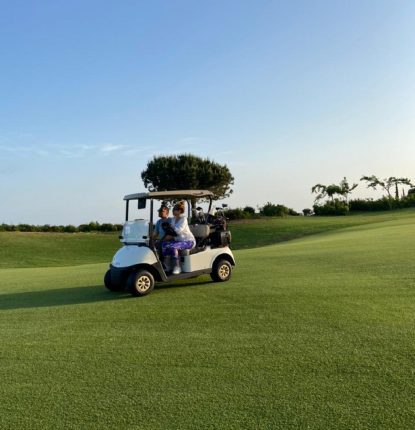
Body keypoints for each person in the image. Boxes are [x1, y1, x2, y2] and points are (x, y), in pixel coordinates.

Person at [162, 201, 195, 274]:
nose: (173, 211)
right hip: (178, 241)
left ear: (179, 211)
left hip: (188, 241)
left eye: (174, 210)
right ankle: (167, 266)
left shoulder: (183, 219)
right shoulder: (173, 219)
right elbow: (171, 229)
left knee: (174, 247)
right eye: (173, 210)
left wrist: (170, 233)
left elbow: (178, 231)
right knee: (165, 244)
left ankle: (178, 267)